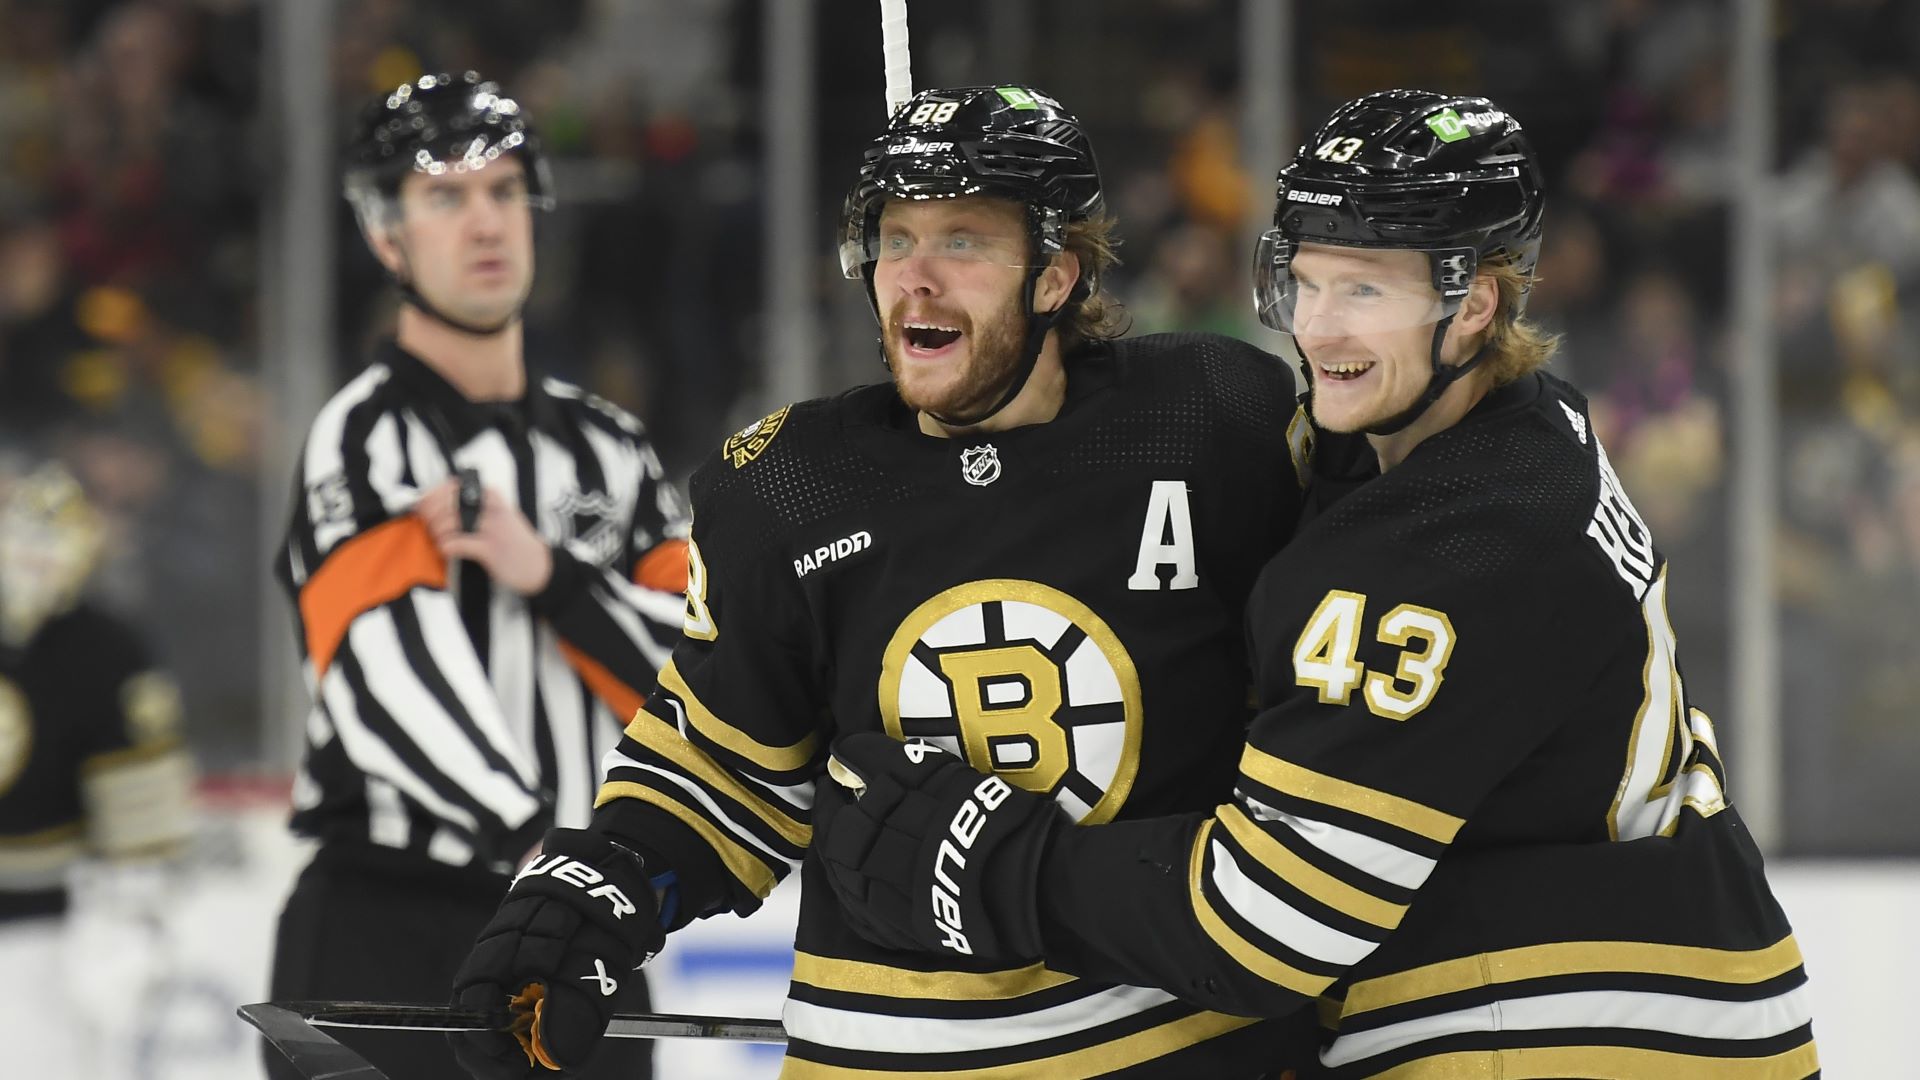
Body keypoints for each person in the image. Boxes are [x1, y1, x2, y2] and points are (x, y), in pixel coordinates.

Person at [811, 89, 1821, 1078]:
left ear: (1473, 304)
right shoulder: (1511, 429)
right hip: (1676, 994)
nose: (1322, 331)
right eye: (1309, 283)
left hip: (1570, 1033)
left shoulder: (1443, 550)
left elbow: (1269, 923)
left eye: (1367, 292)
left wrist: (976, 860)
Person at [450, 85, 1323, 1078]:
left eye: (962, 241)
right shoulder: (783, 486)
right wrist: (606, 885)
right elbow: (727, 771)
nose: (916, 278)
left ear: (1055, 275)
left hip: (1171, 1046)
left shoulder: (1216, 424)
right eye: (895, 239)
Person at [266, 71, 687, 1080]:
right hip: (390, 926)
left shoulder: (611, 450)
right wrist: (544, 848)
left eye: (504, 190)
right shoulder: (364, 440)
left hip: (583, 934)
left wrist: (553, 577)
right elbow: (384, 685)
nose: (484, 221)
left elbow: (693, 679)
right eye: (444, 196)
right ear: (386, 235)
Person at [0, 462, 195, 1078]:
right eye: (24, 539)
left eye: (52, 543)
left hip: (49, 925)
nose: (36, 560)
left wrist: (131, 914)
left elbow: (141, 808)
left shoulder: (108, 649)